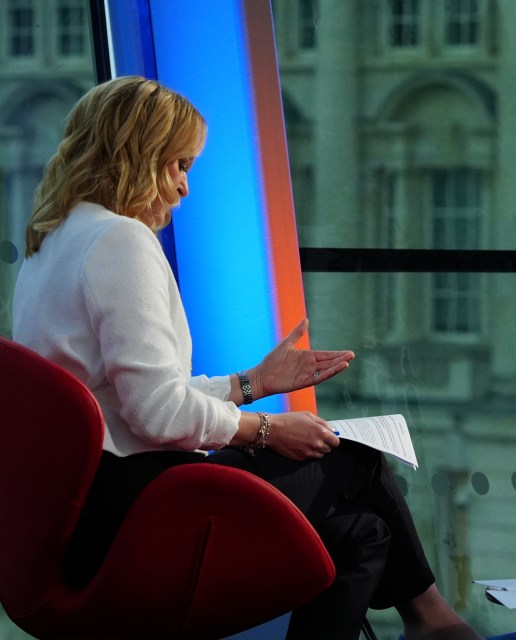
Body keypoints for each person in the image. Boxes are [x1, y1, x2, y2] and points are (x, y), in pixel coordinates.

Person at [12, 76, 483, 640]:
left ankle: (430, 620)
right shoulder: (120, 242)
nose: (185, 188)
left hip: (86, 514)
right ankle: (433, 619)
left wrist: (253, 382)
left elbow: (127, 400)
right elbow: (157, 414)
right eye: (178, 165)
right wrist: (266, 430)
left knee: (360, 536)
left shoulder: (54, 241)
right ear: (137, 156)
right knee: (354, 457)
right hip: (139, 513)